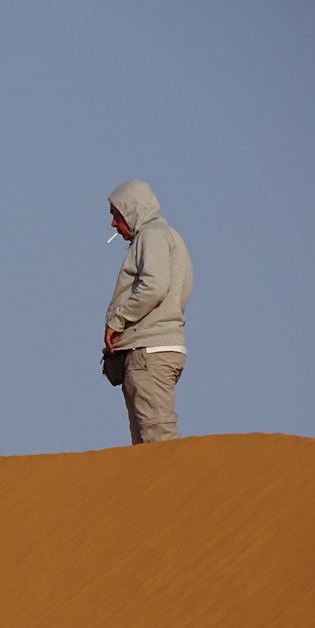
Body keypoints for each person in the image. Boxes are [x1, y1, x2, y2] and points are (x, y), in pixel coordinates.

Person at [103, 178, 193, 445]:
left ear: (131, 210)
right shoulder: (167, 237)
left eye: (116, 216)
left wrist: (118, 321)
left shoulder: (152, 236)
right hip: (152, 350)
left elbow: (154, 287)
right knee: (145, 447)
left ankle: (175, 488)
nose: (113, 225)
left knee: (158, 444)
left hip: (149, 352)